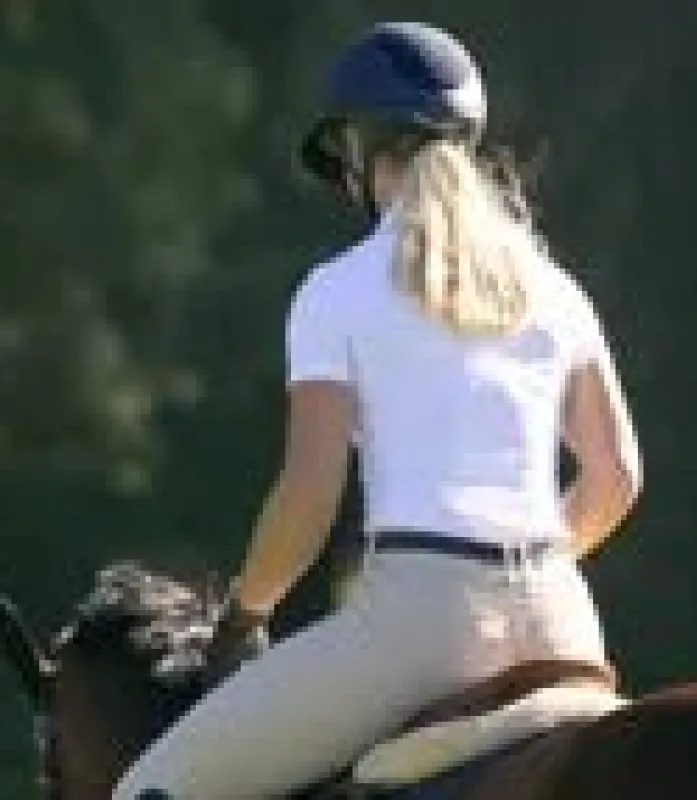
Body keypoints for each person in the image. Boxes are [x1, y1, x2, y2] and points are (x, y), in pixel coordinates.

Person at [113, 21, 642, 800]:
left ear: (358, 152)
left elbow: (309, 496)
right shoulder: (554, 289)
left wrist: (245, 615)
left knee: (151, 788)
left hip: (420, 629)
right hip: (565, 625)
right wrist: (530, 569)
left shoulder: (338, 292)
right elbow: (615, 476)